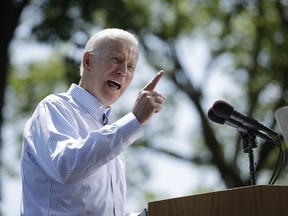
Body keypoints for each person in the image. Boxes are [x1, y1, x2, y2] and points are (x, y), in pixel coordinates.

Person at [20, 28, 166, 216]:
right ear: (88, 61)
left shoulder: (111, 139)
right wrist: (134, 120)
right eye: (116, 59)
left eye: (131, 66)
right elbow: (65, 167)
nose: (122, 71)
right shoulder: (54, 108)